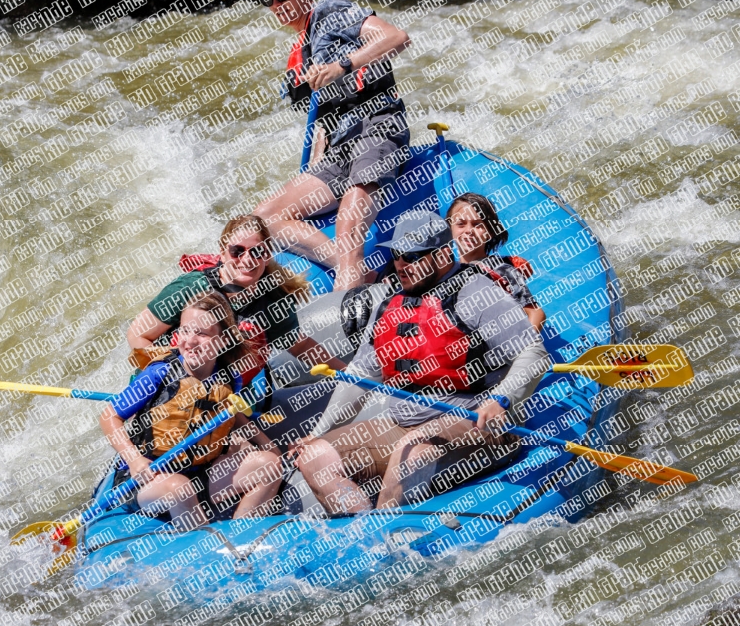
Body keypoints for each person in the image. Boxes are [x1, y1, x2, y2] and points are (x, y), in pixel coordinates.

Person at [292, 211, 550, 513]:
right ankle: (363, 536)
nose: (402, 264)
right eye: (398, 255)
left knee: (410, 451)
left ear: (442, 254)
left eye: (412, 256)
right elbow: (360, 378)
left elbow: (534, 354)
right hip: (403, 424)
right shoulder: (392, 304)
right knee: (314, 457)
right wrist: (319, 432)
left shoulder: (475, 291)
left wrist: (500, 401)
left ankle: (391, 541)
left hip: (476, 422)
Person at [253, 0, 412, 291]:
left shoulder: (331, 12)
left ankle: (347, 308)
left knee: (348, 225)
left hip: (375, 125)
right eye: (266, 0)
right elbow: (322, 123)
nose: (275, 4)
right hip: (338, 149)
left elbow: (396, 37)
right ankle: (357, 271)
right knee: (263, 219)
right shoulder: (301, 51)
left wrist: (343, 65)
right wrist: (314, 171)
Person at [102, 291, 284, 531]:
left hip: (200, 472)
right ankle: (204, 551)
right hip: (149, 478)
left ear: (223, 339)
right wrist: (134, 460)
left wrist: (270, 448)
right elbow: (109, 417)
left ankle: (242, 540)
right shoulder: (159, 374)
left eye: (201, 333)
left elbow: (230, 414)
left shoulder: (229, 376)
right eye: (185, 330)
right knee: (181, 489)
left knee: (269, 465)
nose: (190, 341)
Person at [127, 214, 345, 384]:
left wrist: (346, 374)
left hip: (223, 395)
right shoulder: (191, 287)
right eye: (237, 251)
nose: (247, 259)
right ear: (223, 253)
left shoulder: (272, 299)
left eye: (257, 251)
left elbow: (300, 345)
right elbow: (138, 334)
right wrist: (170, 382)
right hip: (165, 383)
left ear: (267, 256)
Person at [448, 192, 546, 331]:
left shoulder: (501, 269)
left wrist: (519, 348)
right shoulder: (445, 273)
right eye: (461, 224)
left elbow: (536, 313)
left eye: (477, 224)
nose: (469, 230)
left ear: (491, 231)